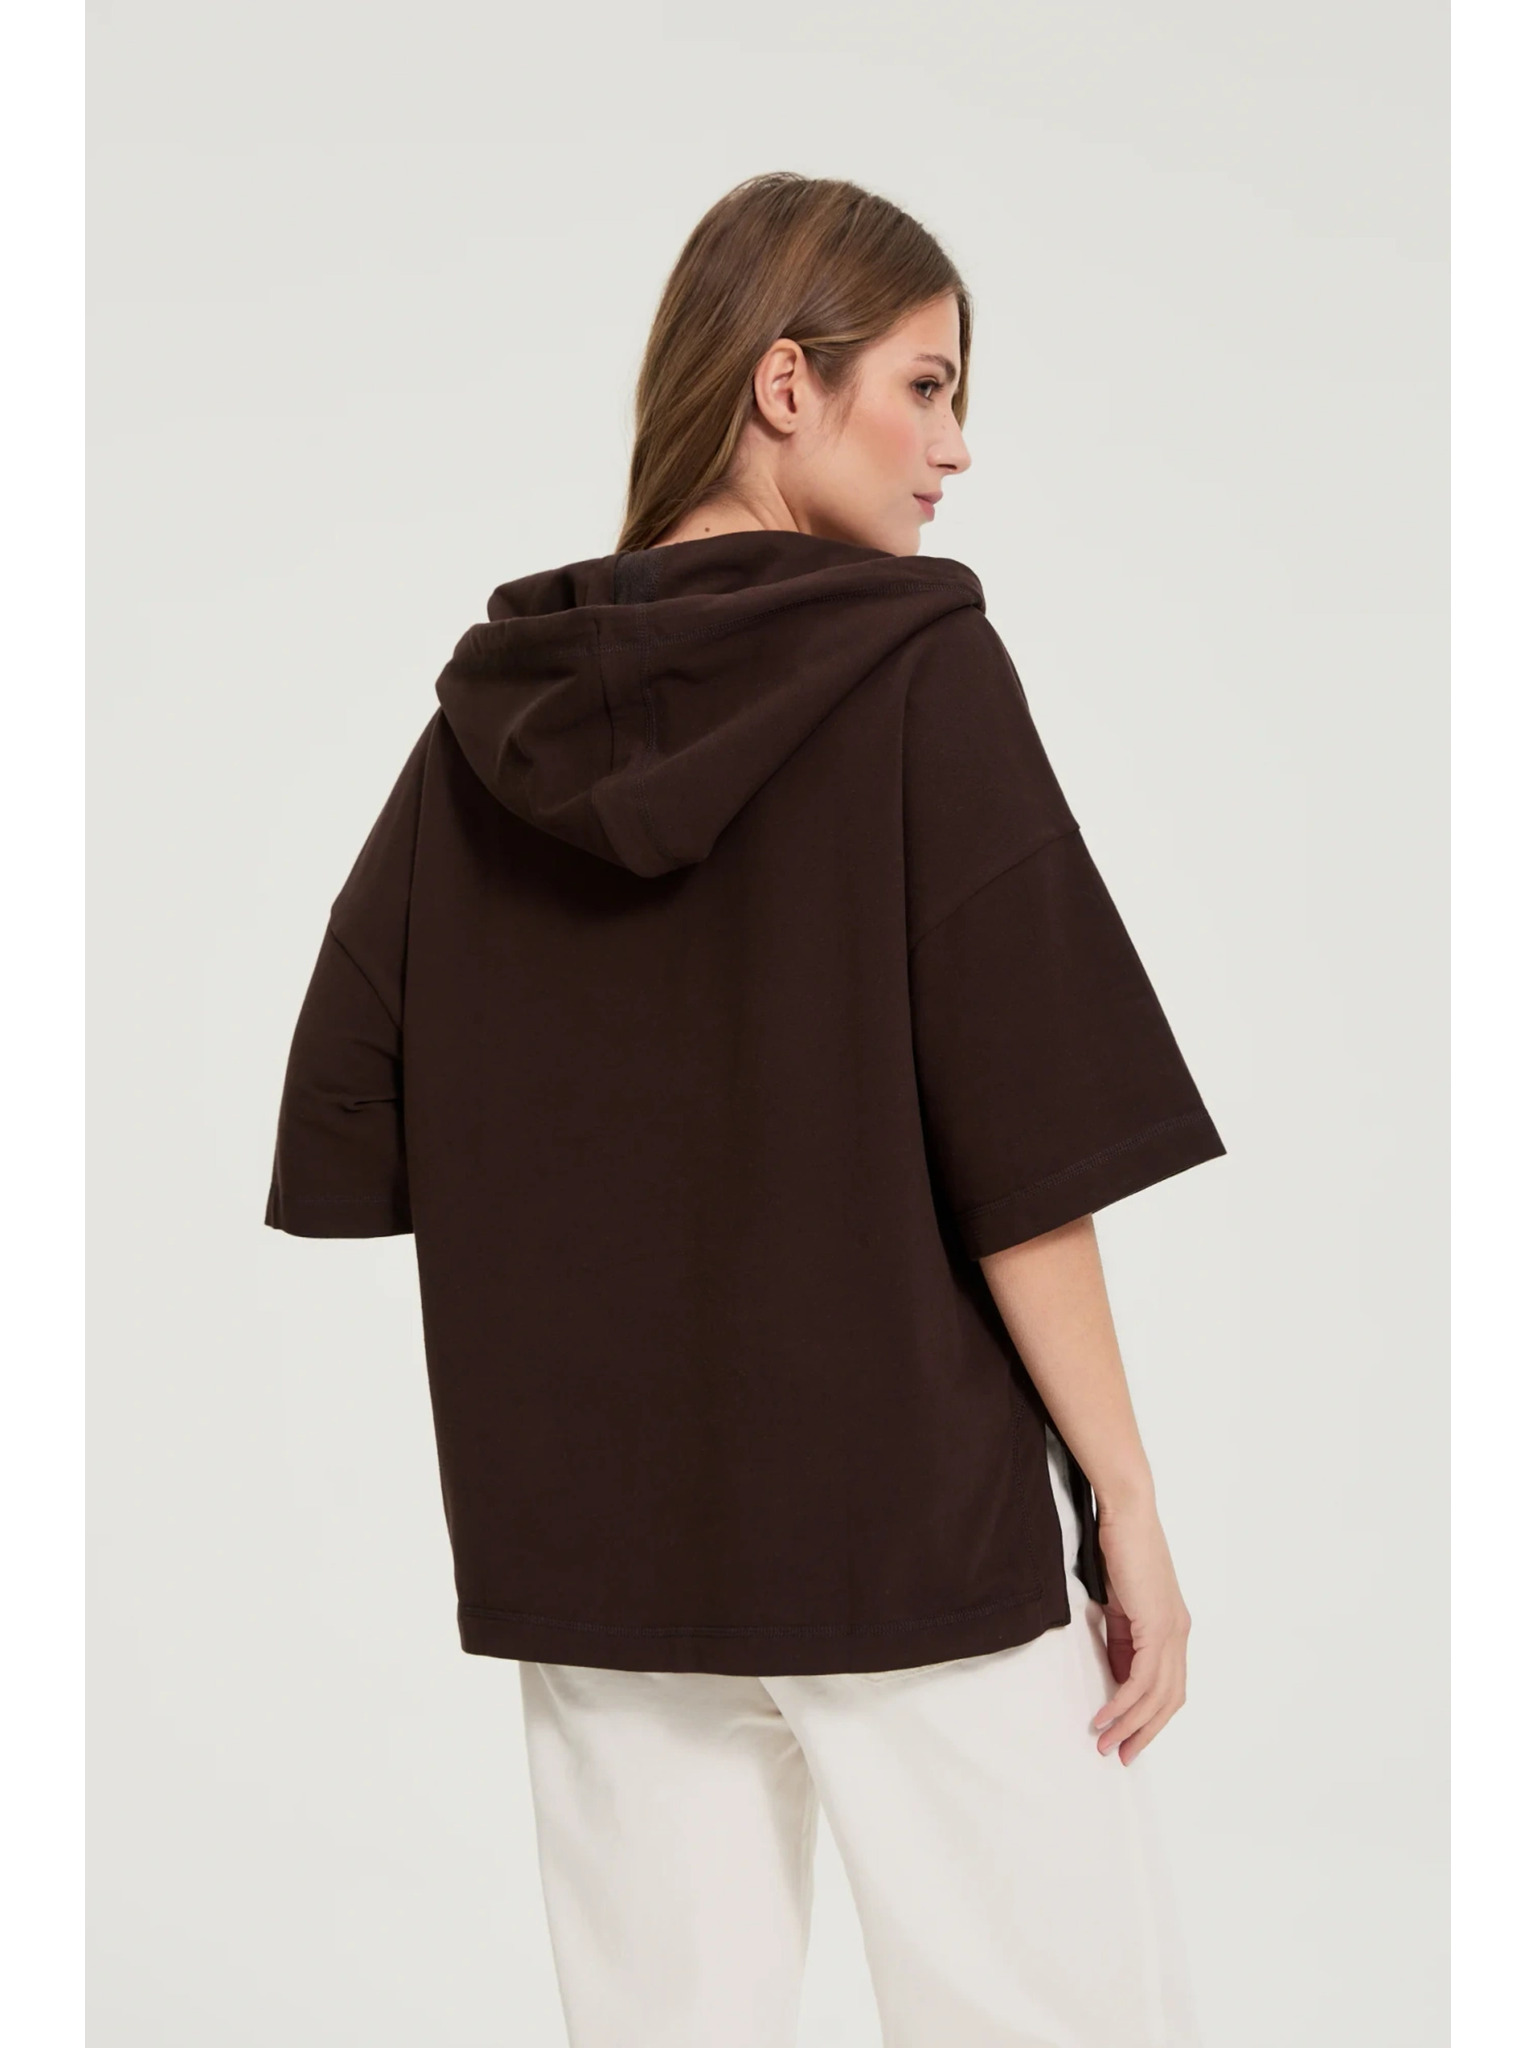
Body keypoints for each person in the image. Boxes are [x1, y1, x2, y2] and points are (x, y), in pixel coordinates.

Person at [263, 171, 1227, 2048]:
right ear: (787, 383)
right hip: (911, 1539)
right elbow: (1029, 1146)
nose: (957, 447)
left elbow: (357, 1094)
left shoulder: (488, 727)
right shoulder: (918, 668)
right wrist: (1127, 1505)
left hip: (593, 1545)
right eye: (926, 387)